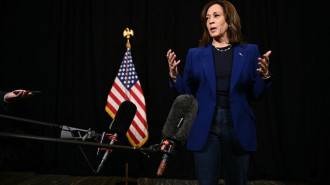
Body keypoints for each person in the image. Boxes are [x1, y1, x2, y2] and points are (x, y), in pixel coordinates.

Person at [166, 0, 272, 184]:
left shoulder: (249, 51)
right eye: (207, 18)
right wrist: (175, 77)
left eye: (216, 16)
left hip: (237, 124)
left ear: (229, 20)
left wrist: (265, 76)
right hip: (206, 125)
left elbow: (256, 95)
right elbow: (187, 96)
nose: (210, 21)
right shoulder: (195, 54)